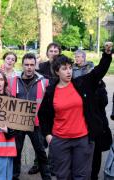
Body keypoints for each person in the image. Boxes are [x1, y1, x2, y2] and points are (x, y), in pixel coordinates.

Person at [38, 42, 113, 180]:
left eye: (70, 68)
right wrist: (48, 135)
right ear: (56, 72)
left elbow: (99, 71)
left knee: (81, 176)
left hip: (82, 140)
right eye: (64, 69)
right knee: (63, 176)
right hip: (60, 141)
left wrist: (107, 54)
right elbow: (43, 114)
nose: (68, 71)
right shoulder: (51, 91)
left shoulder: (82, 83)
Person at [8, 53, 51, 180]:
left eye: (32, 65)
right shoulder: (12, 80)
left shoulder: (44, 81)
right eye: (26, 65)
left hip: (36, 124)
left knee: (41, 153)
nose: (29, 67)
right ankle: (15, 177)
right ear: (22, 65)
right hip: (18, 123)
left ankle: (47, 177)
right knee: (16, 153)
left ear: (35, 66)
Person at [73, 49, 112, 180]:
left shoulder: (97, 82)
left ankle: (94, 175)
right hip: (79, 122)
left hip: (95, 122)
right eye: (75, 56)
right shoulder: (72, 75)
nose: (77, 58)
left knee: (95, 152)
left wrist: (95, 91)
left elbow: (104, 102)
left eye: (79, 56)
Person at [29, 42, 61, 175]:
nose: (53, 53)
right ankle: (39, 163)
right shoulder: (42, 66)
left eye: (55, 50)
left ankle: (53, 165)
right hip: (43, 105)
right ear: (47, 53)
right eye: (51, 51)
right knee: (40, 138)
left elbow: (55, 81)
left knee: (56, 137)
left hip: (58, 105)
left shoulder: (61, 66)